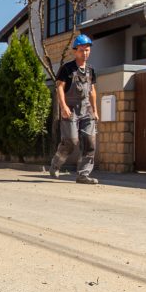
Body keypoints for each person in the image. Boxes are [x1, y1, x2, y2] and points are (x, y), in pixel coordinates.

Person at [49, 34, 100, 184]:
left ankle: (83, 175)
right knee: (71, 141)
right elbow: (59, 87)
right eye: (81, 50)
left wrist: (95, 110)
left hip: (87, 109)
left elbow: (92, 91)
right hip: (70, 109)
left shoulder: (91, 70)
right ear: (75, 51)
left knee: (90, 142)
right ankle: (56, 164)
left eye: (87, 50)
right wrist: (63, 106)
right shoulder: (67, 68)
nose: (85, 53)